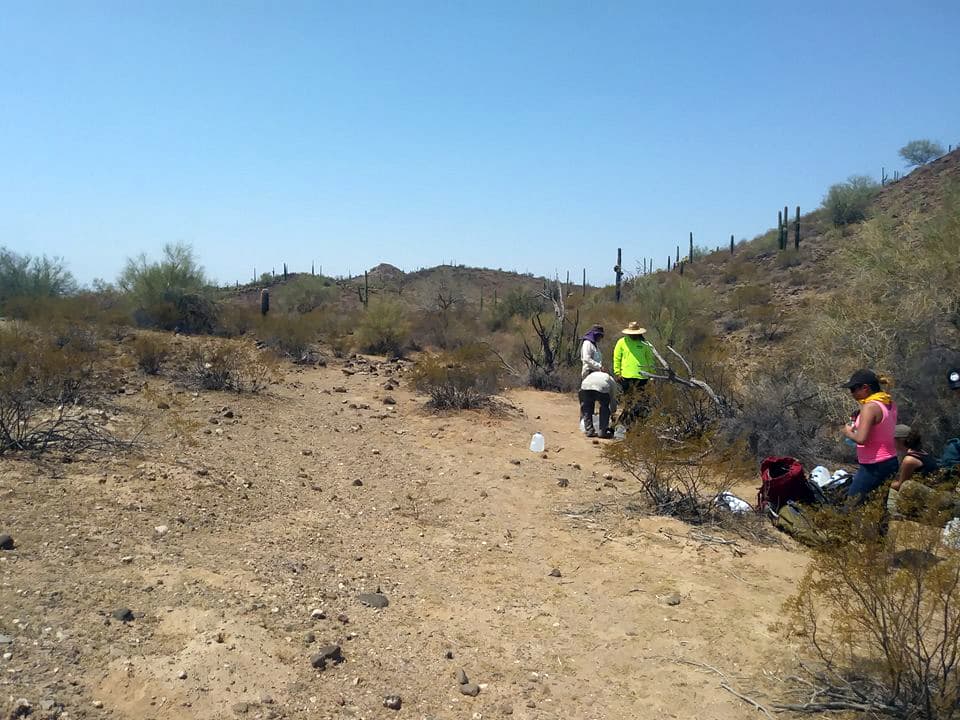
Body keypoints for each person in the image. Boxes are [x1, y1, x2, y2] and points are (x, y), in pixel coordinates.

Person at [842, 369, 899, 502]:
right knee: (877, 506)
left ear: (865, 388)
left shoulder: (869, 407)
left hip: (874, 465)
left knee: (852, 506)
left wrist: (847, 432)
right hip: (890, 461)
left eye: (853, 389)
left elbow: (862, 439)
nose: (852, 394)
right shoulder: (889, 403)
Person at [612, 322, 657, 428]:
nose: (633, 335)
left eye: (635, 333)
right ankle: (628, 426)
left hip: (642, 378)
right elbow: (617, 358)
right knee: (629, 402)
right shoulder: (622, 342)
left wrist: (652, 376)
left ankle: (639, 425)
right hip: (626, 377)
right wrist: (617, 372)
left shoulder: (645, 344)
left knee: (641, 402)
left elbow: (650, 360)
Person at [579, 371, 619, 439]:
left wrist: (583, 408)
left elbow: (582, 400)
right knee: (604, 407)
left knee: (587, 407)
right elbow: (613, 398)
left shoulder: (592, 374)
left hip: (586, 386)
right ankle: (602, 432)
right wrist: (613, 411)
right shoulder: (611, 380)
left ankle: (589, 430)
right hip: (602, 387)